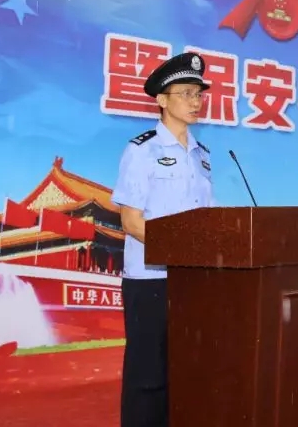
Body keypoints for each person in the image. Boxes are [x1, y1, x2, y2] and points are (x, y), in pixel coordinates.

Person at [111, 52, 216, 427]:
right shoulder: (142, 150)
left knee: (186, 372)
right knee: (148, 378)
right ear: (161, 99)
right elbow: (131, 221)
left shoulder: (202, 156)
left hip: (193, 281)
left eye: (198, 94)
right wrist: (181, 249)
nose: (195, 101)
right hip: (150, 280)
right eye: (186, 93)